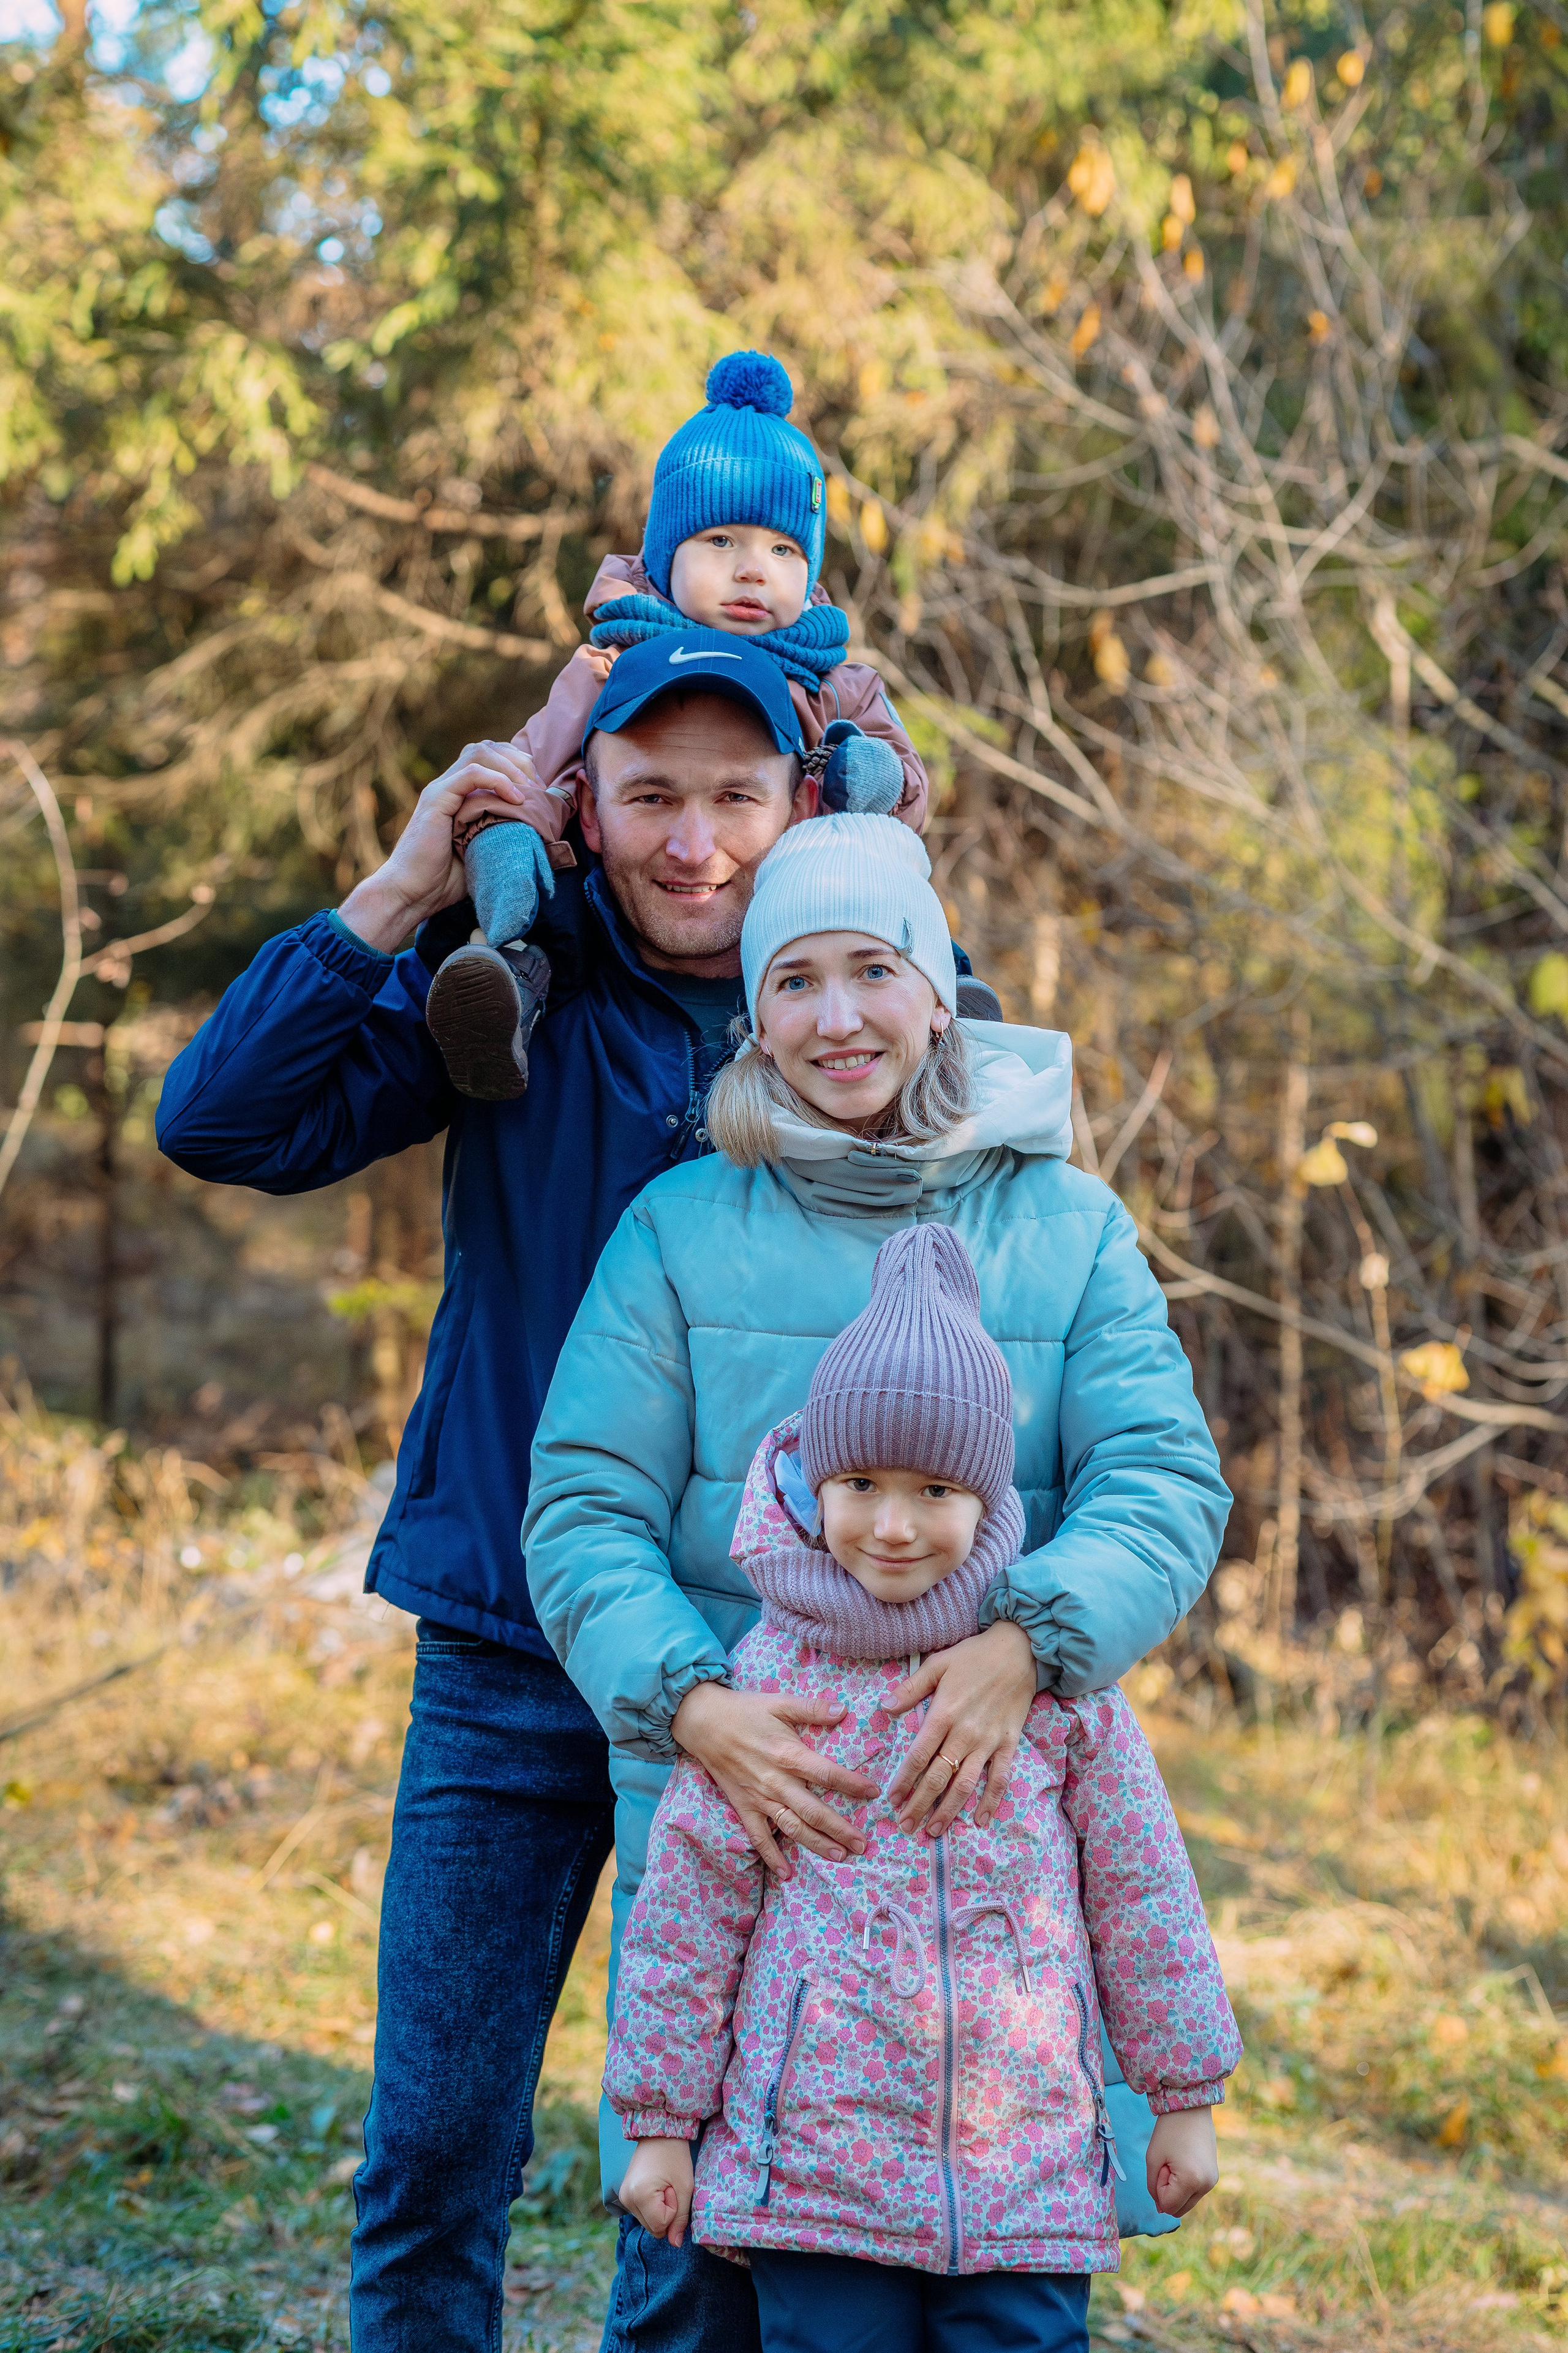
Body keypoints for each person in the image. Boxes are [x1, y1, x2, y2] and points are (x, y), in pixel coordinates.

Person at [155, 637, 853, 2353]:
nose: (697, 844)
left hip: (760, 1679)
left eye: (737, 800)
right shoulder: (509, 990)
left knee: (699, 2190)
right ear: (587, 813)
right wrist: (407, 884)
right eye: (653, 799)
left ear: (803, 804)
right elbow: (223, 1122)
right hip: (506, 1645)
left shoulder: (859, 1004)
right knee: (437, 2151)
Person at [524, 812, 1235, 2349]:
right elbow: (583, 1504)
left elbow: (1164, 1481)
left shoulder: (1066, 1226)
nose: (833, 1016)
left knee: (996, 2307)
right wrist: (690, 1698)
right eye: (791, 981)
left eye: (869, 970)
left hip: (996, 1875)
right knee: (693, 2305)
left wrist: (1030, 1646)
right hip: (744, 1813)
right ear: (752, 1014)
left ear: (933, 986)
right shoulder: (677, 1227)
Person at [606, 1222, 1240, 2353]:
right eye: (860, 1483)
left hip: (1026, 2170)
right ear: (812, 1478)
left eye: (936, 1489)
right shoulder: (769, 1680)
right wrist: (659, 2126)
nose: (893, 1525)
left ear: (987, 1497)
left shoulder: (1056, 1691)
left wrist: (1184, 2096)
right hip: (815, 2167)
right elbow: (688, 1918)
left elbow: (1145, 1893)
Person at [426, 350, 930, 1101]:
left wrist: (873, 776)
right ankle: (509, 1000)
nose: (753, 569)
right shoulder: (609, 662)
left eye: (783, 549)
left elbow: (909, 791)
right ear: (666, 554)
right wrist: (504, 835)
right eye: (721, 542)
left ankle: (952, 997)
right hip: (608, 936)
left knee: (886, 906)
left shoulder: (836, 679)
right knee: (563, 907)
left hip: (803, 903)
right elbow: (531, 765)